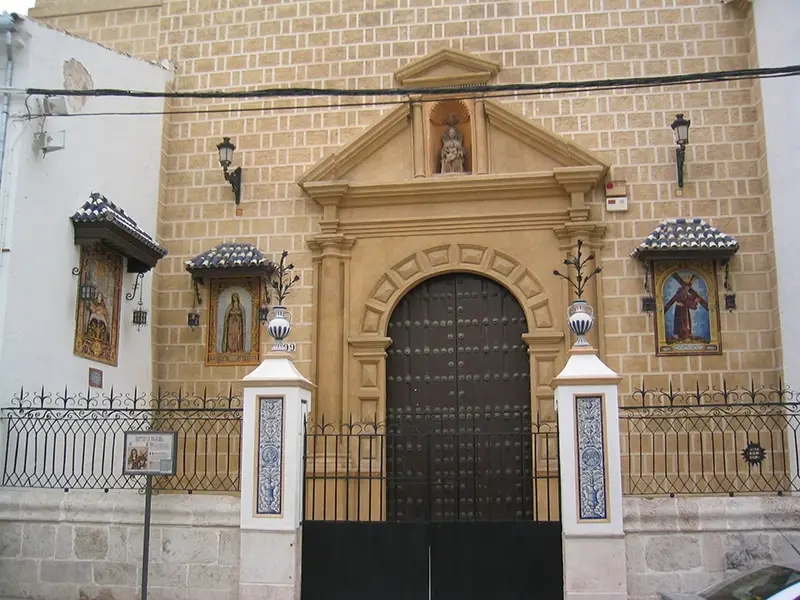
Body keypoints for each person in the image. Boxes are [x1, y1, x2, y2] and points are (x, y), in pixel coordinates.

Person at [663, 273, 709, 343]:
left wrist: (694, 298)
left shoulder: (684, 292)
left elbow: (688, 298)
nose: (688, 288)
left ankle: (685, 335)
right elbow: (685, 301)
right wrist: (694, 301)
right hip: (680, 310)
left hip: (683, 309)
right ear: (684, 286)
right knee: (681, 323)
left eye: (689, 286)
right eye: (687, 286)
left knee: (685, 323)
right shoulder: (681, 292)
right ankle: (681, 336)